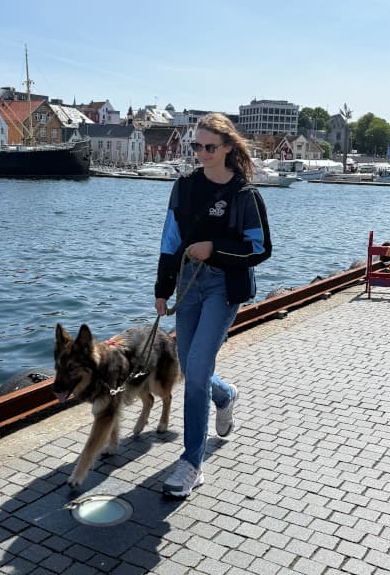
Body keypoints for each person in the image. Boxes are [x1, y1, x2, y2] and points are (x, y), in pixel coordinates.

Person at [154, 113, 272, 498]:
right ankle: (225, 396)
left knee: (198, 369)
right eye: (196, 147)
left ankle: (191, 463)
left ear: (227, 149)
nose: (201, 153)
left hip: (224, 287)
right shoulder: (184, 187)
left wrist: (214, 250)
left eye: (209, 147)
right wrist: (163, 287)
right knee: (190, 368)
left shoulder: (244, 195)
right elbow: (170, 239)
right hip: (188, 283)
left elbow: (259, 248)